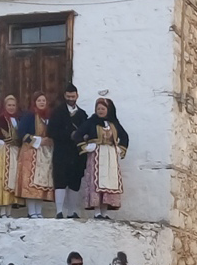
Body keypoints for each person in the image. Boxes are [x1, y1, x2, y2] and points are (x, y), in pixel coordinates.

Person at [76, 97, 129, 218]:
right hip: (97, 155)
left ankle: (104, 213)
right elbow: (77, 135)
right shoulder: (91, 122)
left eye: (103, 108)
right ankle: (97, 212)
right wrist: (86, 146)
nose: (100, 111)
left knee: (108, 183)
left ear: (108, 110)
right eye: (98, 108)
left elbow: (124, 136)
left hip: (110, 156)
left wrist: (120, 149)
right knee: (96, 182)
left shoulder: (114, 123)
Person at [49, 84, 88, 219]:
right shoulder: (57, 112)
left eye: (73, 96)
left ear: (77, 96)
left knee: (75, 181)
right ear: (64, 96)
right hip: (61, 151)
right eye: (68, 96)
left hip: (76, 153)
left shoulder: (82, 114)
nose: (71, 98)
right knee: (60, 180)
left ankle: (72, 211)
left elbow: (87, 131)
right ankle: (59, 211)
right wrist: (68, 135)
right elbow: (51, 131)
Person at [17, 91, 55, 218]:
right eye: (39, 101)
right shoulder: (29, 116)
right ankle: (31, 211)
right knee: (30, 183)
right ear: (35, 102)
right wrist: (38, 140)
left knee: (41, 183)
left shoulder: (49, 117)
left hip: (44, 153)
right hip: (30, 151)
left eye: (43, 100)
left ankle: (38, 211)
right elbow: (21, 133)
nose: (42, 103)